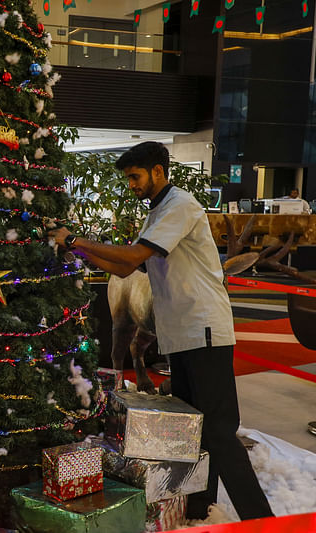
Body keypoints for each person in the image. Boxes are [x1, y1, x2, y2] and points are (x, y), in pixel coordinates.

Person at [48, 141, 274, 521]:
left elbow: (134, 257)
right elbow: (124, 270)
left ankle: (264, 522)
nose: (131, 184)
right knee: (197, 431)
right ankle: (201, 506)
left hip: (204, 332)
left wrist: (75, 240)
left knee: (218, 431)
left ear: (157, 171)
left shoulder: (180, 205)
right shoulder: (156, 214)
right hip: (182, 335)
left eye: (135, 177)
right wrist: (78, 250)